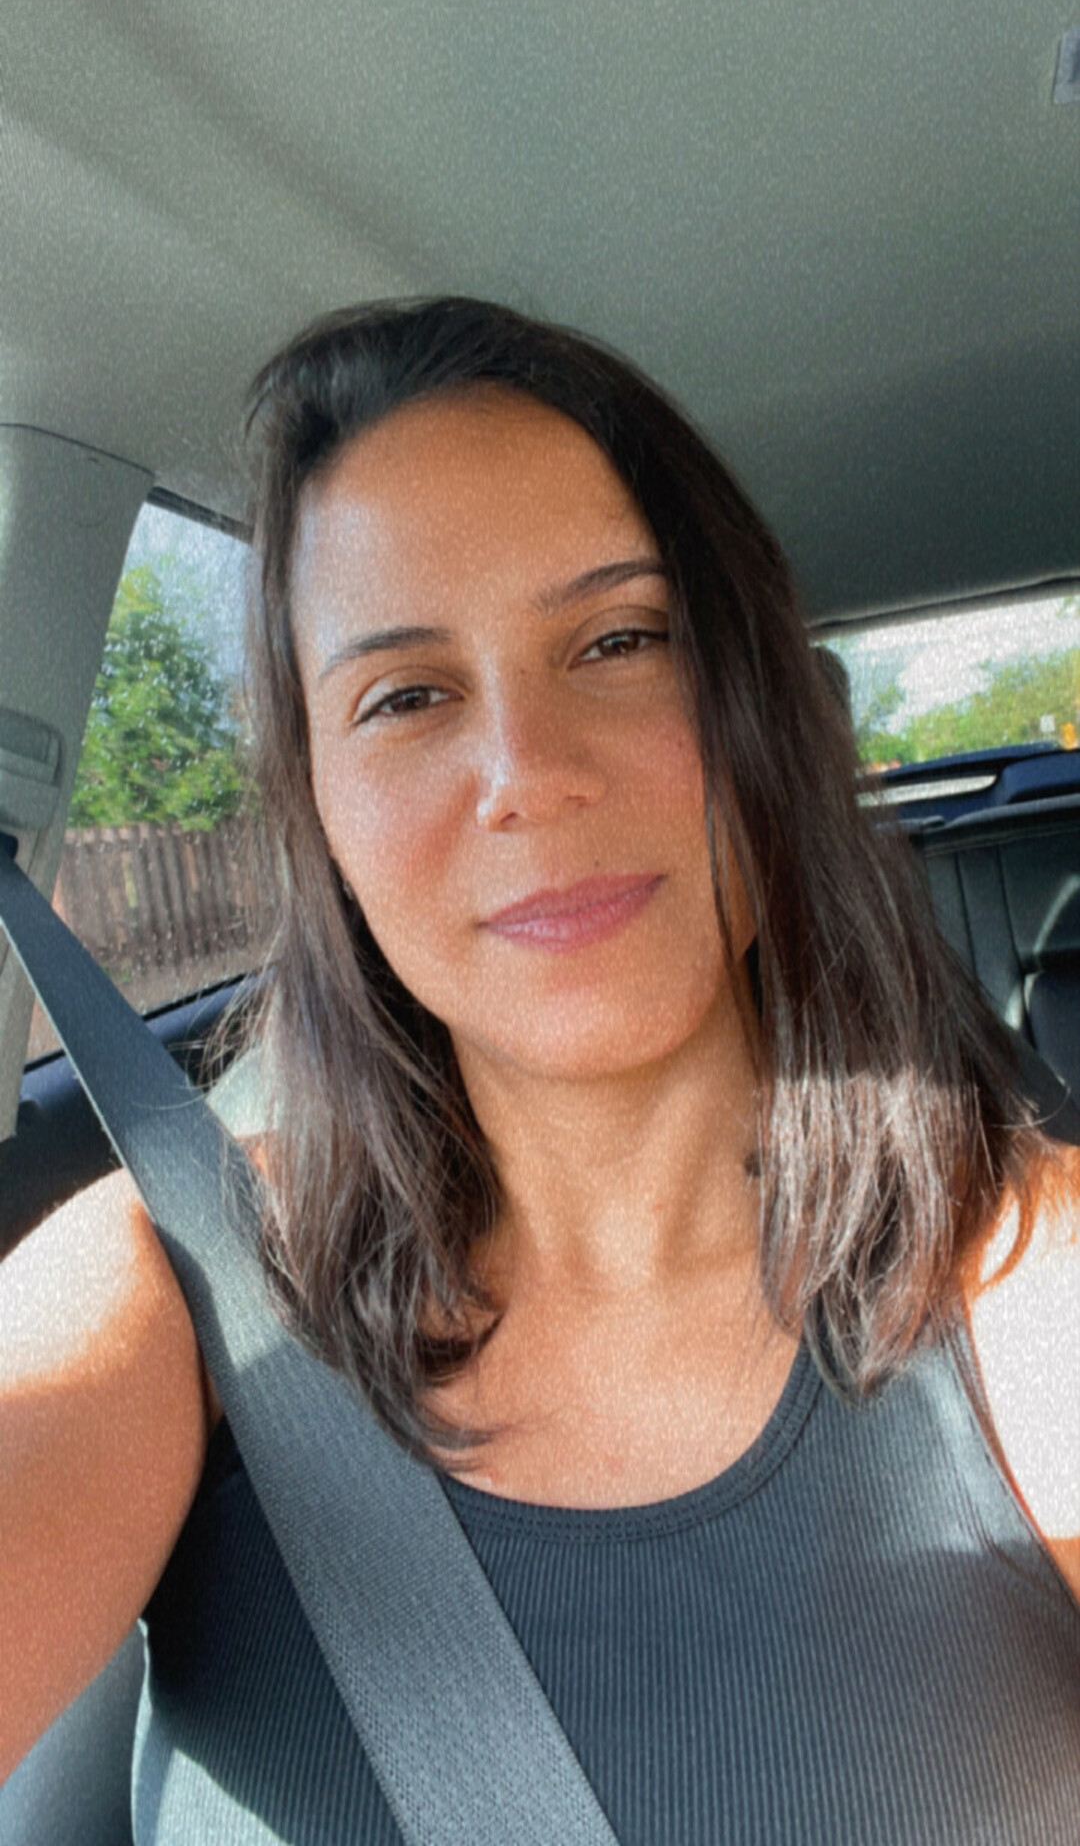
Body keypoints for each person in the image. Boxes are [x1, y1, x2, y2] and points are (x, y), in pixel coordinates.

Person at [2, 297, 1078, 1841]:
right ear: (322, 812)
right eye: (407, 696)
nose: (528, 773)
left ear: (766, 712)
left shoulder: (1033, 1282)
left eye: (621, 640)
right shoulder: (172, 1280)